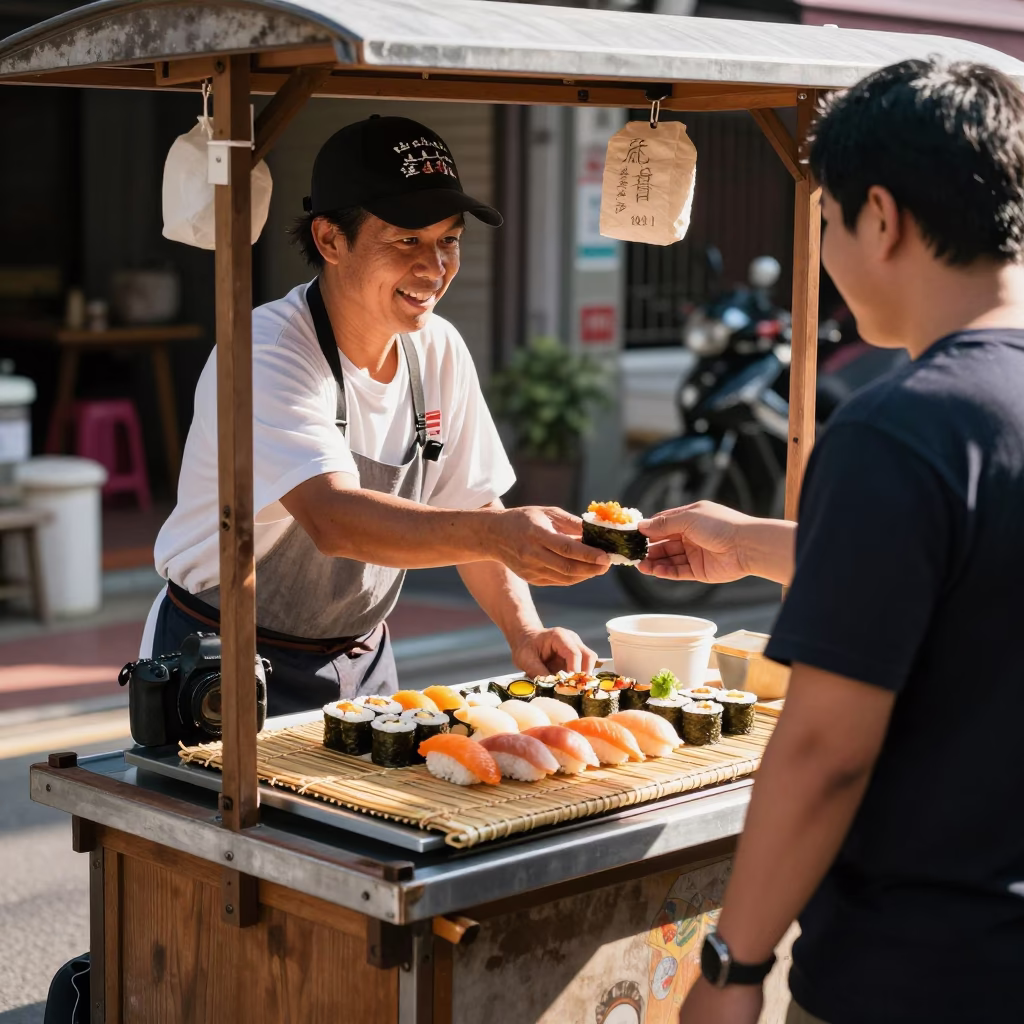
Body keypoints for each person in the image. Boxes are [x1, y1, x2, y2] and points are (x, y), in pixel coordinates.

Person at [639, 60, 1024, 1024]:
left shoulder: (900, 428)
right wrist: (750, 542)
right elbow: (971, 572)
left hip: (920, 974)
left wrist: (732, 967)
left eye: (825, 222)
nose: (822, 251)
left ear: (881, 219)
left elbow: (822, 750)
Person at [141, 115, 608, 715]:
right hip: (220, 659)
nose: (435, 267)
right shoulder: (267, 351)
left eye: (449, 239)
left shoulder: (438, 348)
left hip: (364, 663)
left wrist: (525, 632)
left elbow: (469, 504)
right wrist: (500, 536)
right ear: (331, 240)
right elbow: (335, 519)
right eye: (407, 240)